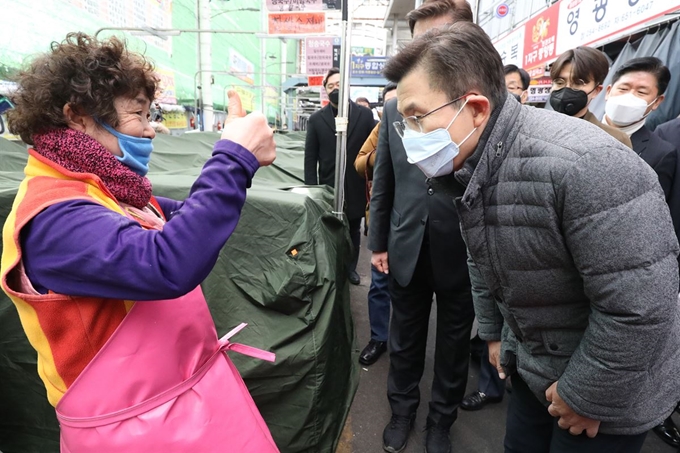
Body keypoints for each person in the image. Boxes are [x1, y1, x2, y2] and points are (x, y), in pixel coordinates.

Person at [383, 21, 680, 453]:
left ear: (477, 108)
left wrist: (585, 395)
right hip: (532, 368)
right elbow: (481, 257)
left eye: (416, 118)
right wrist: (495, 334)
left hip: (605, 399)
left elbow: (640, 307)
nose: (410, 136)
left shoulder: (588, 165)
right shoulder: (474, 164)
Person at [0, 33, 279, 452]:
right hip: (127, 429)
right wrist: (233, 157)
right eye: (138, 114)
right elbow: (169, 262)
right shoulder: (54, 218)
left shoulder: (107, 191)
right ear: (77, 117)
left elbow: (186, 220)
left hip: (173, 406)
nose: (152, 130)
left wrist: (236, 160)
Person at [369, 1, 476, 452]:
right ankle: (402, 412)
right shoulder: (395, 106)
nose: (428, 49)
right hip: (405, 243)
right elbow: (384, 181)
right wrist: (377, 242)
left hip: (464, 249)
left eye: (439, 37)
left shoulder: (481, 106)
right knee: (405, 337)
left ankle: (440, 423)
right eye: (420, 40)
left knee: (453, 347)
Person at [460, 64, 533, 413]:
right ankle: (493, 384)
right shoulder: (472, 149)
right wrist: (490, 333)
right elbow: (478, 261)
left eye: (514, 87)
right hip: (495, 271)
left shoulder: (553, 149)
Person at [304, 67, 375, 286]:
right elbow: (310, 158)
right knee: (329, 229)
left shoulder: (364, 115)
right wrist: (312, 190)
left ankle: (350, 268)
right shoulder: (316, 120)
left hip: (355, 184)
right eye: (330, 86)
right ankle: (331, 268)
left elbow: (372, 149)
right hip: (327, 185)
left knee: (353, 228)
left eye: (338, 85)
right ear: (325, 91)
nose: (335, 89)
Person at [354, 82, 397, 366]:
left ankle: (403, 340)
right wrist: (378, 156)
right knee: (379, 283)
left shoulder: (425, 127)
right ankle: (379, 337)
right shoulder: (380, 131)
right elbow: (359, 163)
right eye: (390, 104)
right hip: (382, 218)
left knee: (409, 287)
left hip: (415, 222)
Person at [603, 57, 677, 199]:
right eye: (623, 89)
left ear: (657, 102)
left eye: (641, 92)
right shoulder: (577, 130)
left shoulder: (661, 153)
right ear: (608, 91)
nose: (629, 97)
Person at [545, 47, 631, 147]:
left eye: (577, 83)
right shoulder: (533, 128)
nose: (566, 89)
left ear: (596, 90)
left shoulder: (614, 140)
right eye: (559, 82)